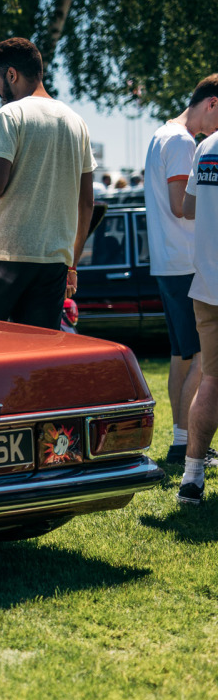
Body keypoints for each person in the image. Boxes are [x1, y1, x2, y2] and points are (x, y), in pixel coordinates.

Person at [0, 38, 95, 330]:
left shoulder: (10, 114)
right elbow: (86, 202)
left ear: (11, 75)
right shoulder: (76, 122)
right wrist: (72, 264)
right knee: (35, 356)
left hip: (4, 253)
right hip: (54, 260)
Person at [144, 75, 218, 467]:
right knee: (205, 360)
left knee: (182, 356)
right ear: (211, 103)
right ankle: (193, 446)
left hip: (169, 261)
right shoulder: (183, 142)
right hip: (188, 261)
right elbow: (181, 205)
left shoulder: (162, 134)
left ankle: (179, 441)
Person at [178, 115, 218, 504]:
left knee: (212, 380)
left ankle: (192, 477)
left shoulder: (206, 147)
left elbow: (188, 208)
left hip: (207, 285)